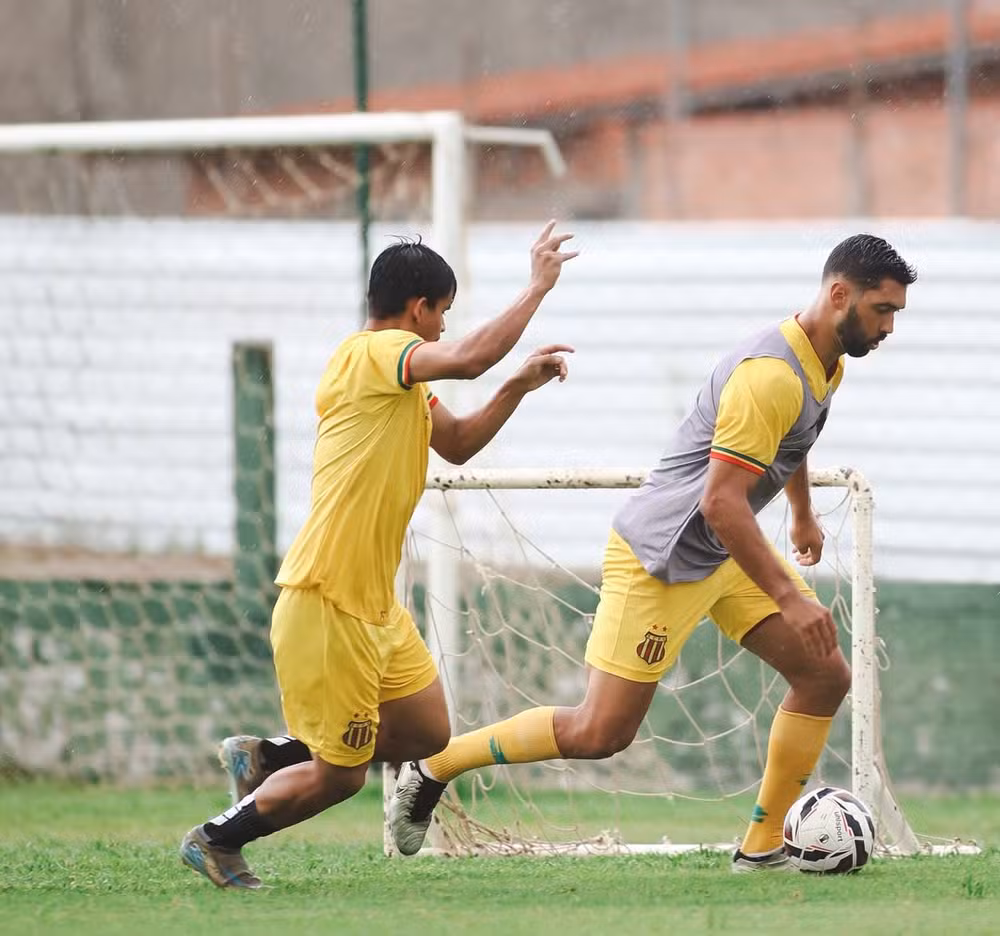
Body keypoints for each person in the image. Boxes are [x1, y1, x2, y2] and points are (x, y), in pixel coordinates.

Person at [385, 233, 917, 871]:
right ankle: (434, 766)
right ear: (840, 295)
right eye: (883, 310)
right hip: (661, 559)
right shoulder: (769, 376)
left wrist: (801, 512)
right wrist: (786, 597)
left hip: (721, 554)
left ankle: (760, 846)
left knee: (825, 673)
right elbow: (722, 501)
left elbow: (791, 437)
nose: (889, 327)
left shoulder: (824, 361)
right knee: (598, 733)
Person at [179, 221, 578, 889]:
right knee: (343, 777)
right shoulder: (373, 355)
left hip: (373, 606)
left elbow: (456, 444)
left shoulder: (406, 383)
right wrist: (537, 288)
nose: (446, 328)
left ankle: (272, 754)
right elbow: (469, 358)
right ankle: (217, 839)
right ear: (417, 309)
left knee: (426, 730)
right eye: (444, 313)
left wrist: (516, 387)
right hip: (327, 597)